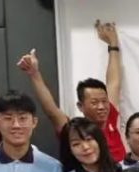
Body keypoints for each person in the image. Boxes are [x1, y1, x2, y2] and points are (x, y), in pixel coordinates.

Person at [16, 20, 126, 161]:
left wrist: (113, 44)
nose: (101, 107)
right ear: (80, 106)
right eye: (94, 103)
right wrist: (34, 74)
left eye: (104, 101)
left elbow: (114, 83)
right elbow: (52, 111)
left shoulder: (111, 116)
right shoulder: (73, 130)